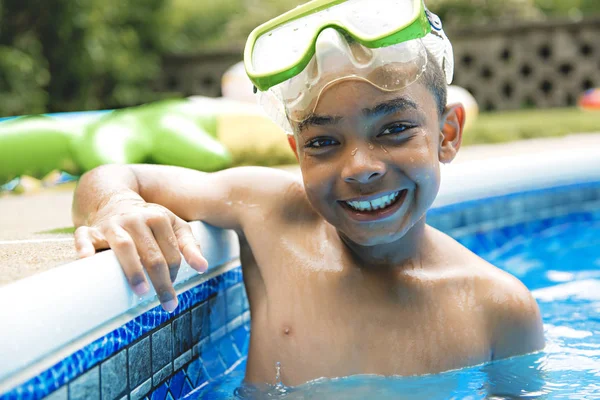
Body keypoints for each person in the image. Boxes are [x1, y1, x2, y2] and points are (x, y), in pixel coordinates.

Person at [72, 0, 544, 387]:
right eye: (324, 143)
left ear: (447, 134)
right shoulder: (269, 213)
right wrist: (119, 204)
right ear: (297, 151)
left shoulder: (498, 308)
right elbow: (114, 174)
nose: (360, 168)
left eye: (395, 129)